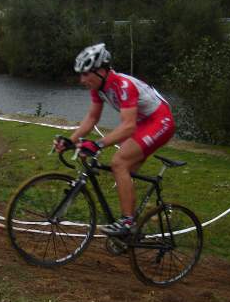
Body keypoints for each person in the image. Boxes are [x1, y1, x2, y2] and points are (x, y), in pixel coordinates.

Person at [55, 43, 176, 237]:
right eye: (81, 74)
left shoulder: (122, 85)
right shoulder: (99, 87)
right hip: (143, 122)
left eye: (86, 74)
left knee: (119, 162)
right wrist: (71, 140)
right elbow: (92, 118)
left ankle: (127, 222)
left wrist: (97, 144)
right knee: (124, 170)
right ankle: (131, 228)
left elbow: (128, 126)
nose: (82, 79)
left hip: (160, 121)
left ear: (102, 71)